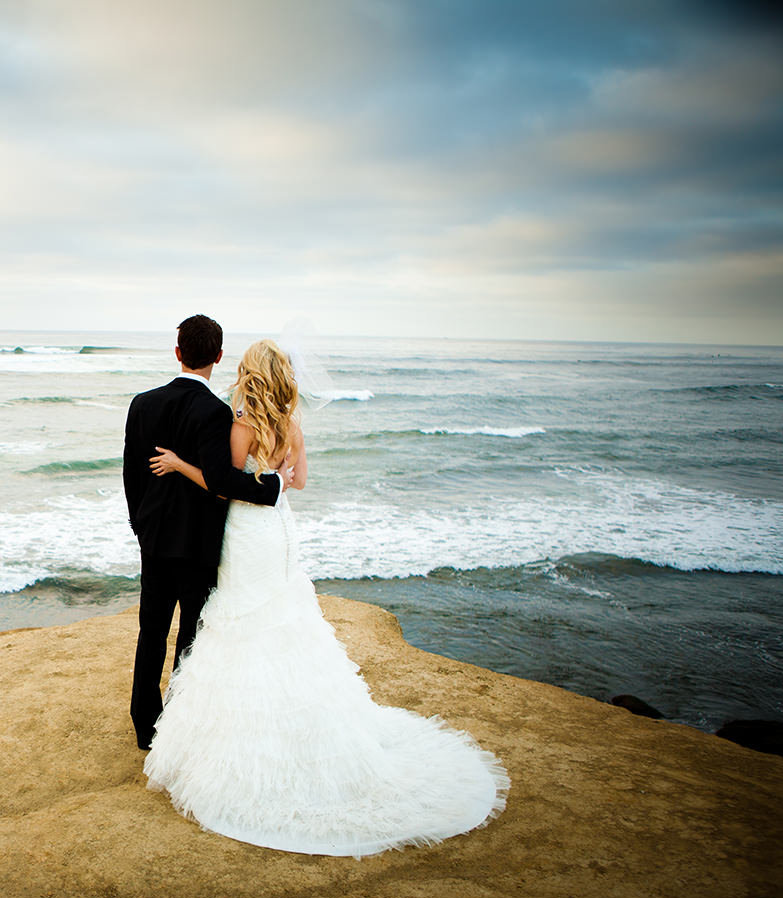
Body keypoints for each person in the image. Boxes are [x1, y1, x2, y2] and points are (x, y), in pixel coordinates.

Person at [143, 339, 508, 856]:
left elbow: (223, 486)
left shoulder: (243, 422)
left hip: (248, 533)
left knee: (243, 619)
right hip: (280, 532)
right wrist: (278, 479)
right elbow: (300, 481)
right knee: (284, 617)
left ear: (250, 373)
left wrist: (181, 465)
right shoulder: (290, 423)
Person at [122, 316, 284, 751]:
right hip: (199, 544)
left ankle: (144, 725)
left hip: (154, 541)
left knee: (151, 631)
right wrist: (273, 488)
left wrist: (142, 526)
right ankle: (176, 721)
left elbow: (131, 477)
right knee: (191, 634)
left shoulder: (141, 404)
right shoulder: (216, 412)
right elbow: (220, 480)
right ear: (218, 356)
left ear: (177, 352)